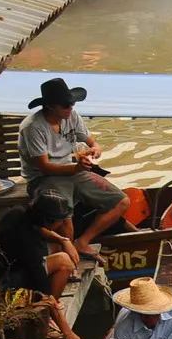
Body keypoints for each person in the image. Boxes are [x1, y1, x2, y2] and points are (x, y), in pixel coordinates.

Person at [18, 77, 127, 253]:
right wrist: (76, 167)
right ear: (51, 106)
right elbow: (44, 167)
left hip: (72, 171)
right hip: (44, 178)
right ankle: (68, 259)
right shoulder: (32, 127)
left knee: (121, 201)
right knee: (63, 217)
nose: (71, 109)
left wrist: (95, 148)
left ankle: (82, 242)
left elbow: (90, 140)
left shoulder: (71, 116)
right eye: (66, 105)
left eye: (72, 104)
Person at [0, 194, 84, 339]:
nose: (63, 223)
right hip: (0, 284)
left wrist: (63, 240)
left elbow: (40, 230)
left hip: (0, 270)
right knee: (63, 266)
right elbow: (44, 291)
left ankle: (48, 310)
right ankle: (44, 316)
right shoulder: (30, 247)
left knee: (63, 259)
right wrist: (68, 333)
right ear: (49, 221)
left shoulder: (19, 213)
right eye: (61, 220)